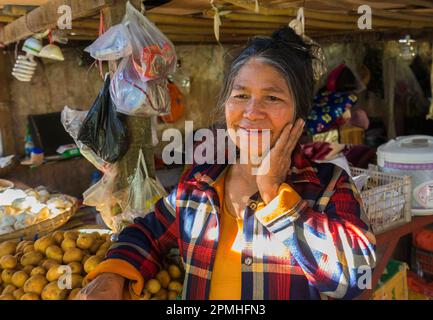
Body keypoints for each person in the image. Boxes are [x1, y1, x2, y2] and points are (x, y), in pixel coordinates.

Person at [76, 26, 376, 300]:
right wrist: (113, 274)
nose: (252, 111)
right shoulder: (200, 183)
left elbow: (354, 278)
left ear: (299, 113)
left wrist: (274, 196)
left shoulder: (327, 186)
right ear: (226, 105)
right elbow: (148, 232)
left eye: (272, 98)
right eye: (241, 95)